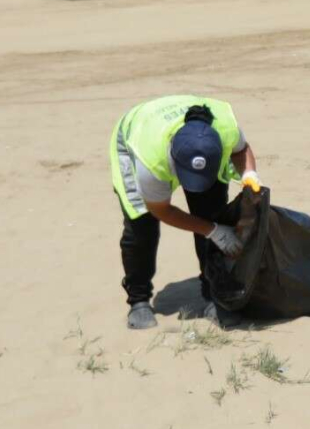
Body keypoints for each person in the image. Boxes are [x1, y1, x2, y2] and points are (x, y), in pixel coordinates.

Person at [110, 96, 261, 330]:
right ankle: (138, 300)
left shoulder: (225, 129)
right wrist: (213, 231)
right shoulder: (150, 160)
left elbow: (242, 150)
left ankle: (213, 295)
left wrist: (249, 174)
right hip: (134, 134)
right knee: (141, 226)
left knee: (211, 212)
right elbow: (161, 210)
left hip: (191, 138)